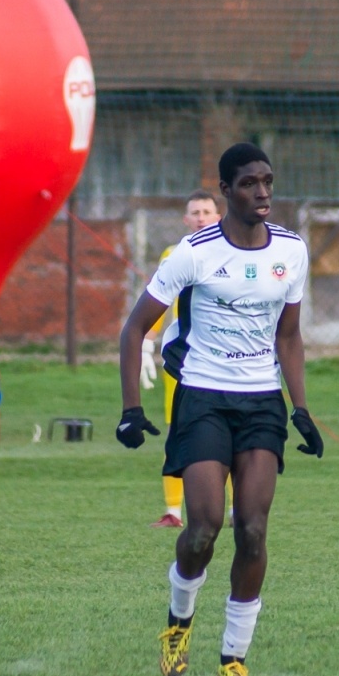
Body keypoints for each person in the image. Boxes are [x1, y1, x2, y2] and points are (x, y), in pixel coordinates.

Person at [117, 143, 323, 676]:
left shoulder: (293, 251)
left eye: (269, 182)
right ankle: (178, 623)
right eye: (251, 183)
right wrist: (130, 410)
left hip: (260, 403)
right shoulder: (194, 252)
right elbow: (135, 328)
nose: (263, 193)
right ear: (226, 190)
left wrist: (300, 409)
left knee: (252, 529)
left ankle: (234, 656)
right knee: (204, 528)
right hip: (203, 397)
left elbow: (289, 335)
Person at [141, 189, 221, 528]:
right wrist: (147, 343)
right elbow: (158, 300)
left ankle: (233, 509)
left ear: (218, 216)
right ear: (186, 220)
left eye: (207, 211)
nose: (201, 217)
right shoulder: (175, 254)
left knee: (229, 430)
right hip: (184, 361)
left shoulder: (232, 251)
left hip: (224, 359)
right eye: (195, 212)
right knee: (179, 429)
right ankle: (173, 510)